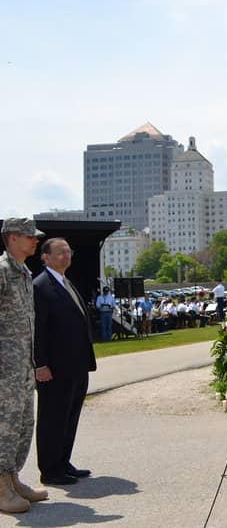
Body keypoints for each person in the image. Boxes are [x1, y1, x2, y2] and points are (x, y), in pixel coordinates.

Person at [33, 237, 96, 485]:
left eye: (68, 251)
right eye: (60, 252)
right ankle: (50, 470)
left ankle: (62, 461)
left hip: (76, 365)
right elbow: (38, 329)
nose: (66, 256)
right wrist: (40, 364)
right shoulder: (40, 286)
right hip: (54, 368)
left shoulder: (65, 282)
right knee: (52, 418)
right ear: (45, 257)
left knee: (69, 417)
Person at [0, 218, 49, 512]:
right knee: (4, 426)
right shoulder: (2, 271)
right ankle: (1, 487)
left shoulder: (24, 272)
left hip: (22, 365)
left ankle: (12, 479)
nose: (35, 241)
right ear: (13, 238)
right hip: (4, 368)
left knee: (22, 425)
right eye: (30, 236)